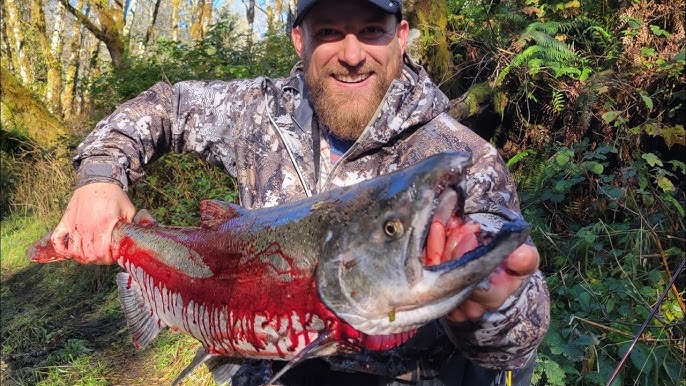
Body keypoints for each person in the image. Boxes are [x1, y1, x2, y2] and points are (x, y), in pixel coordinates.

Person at [50, 0, 550, 384]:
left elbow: (514, 348)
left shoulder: (459, 163)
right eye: (329, 31)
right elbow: (164, 106)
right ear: (298, 40)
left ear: (401, 36)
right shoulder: (256, 113)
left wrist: (490, 307)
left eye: (371, 30)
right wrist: (99, 177)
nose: (352, 55)